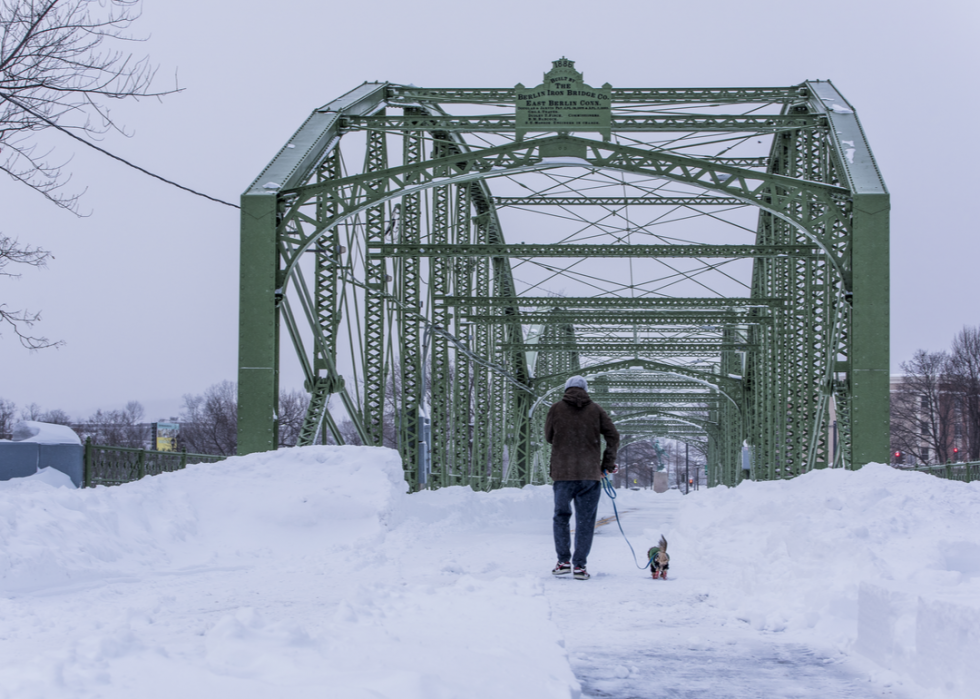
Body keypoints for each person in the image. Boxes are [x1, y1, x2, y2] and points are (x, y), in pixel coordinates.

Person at [545, 375, 620, 580]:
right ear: (585, 390)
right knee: (586, 521)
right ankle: (580, 567)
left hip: (563, 473)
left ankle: (563, 562)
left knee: (561, 517)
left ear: (567, 389)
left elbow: (549, 437)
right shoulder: (596, 410)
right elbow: (613, 435)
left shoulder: (556, 409)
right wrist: (607, 464)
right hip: (589, 474)